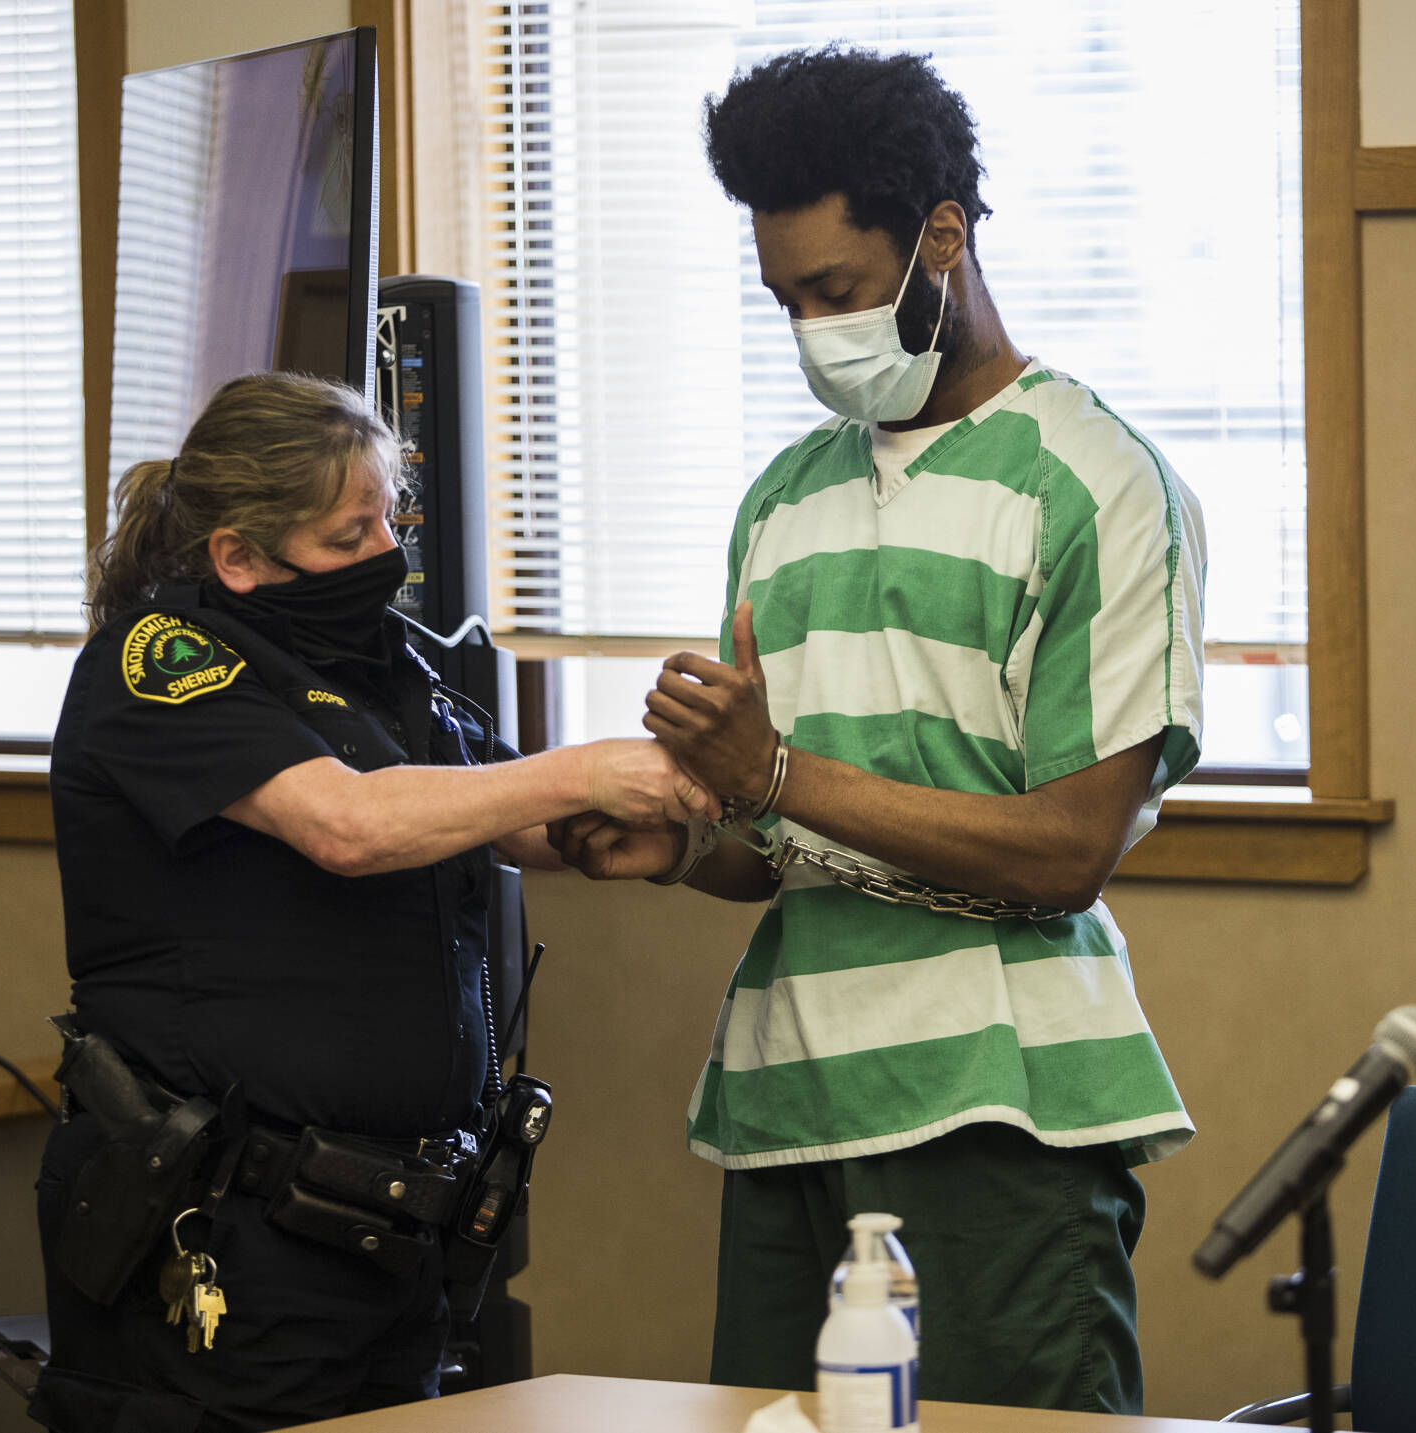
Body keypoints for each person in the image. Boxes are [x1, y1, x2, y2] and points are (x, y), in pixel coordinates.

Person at [549, 46, 1208, 1415]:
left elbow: (1067, 850)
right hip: (791, 1103)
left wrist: (775, 770)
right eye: (785, 300)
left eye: (838, 292)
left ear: (944, 237)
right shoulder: (781, 504)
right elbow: (773, 846)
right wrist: (683, 846)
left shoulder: (1098, 481)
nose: (811, 329)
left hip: (996, 1118)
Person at [34, 371, 713, 1432]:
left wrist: (647, 817)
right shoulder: (157, 663)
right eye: (351, 536)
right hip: (225, 1229)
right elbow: (345, 823)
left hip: (387, 1228)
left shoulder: (374, 660)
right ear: (240, 556)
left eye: (390, 519)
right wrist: (582, 772)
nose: (385, 554)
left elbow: (475, 807)